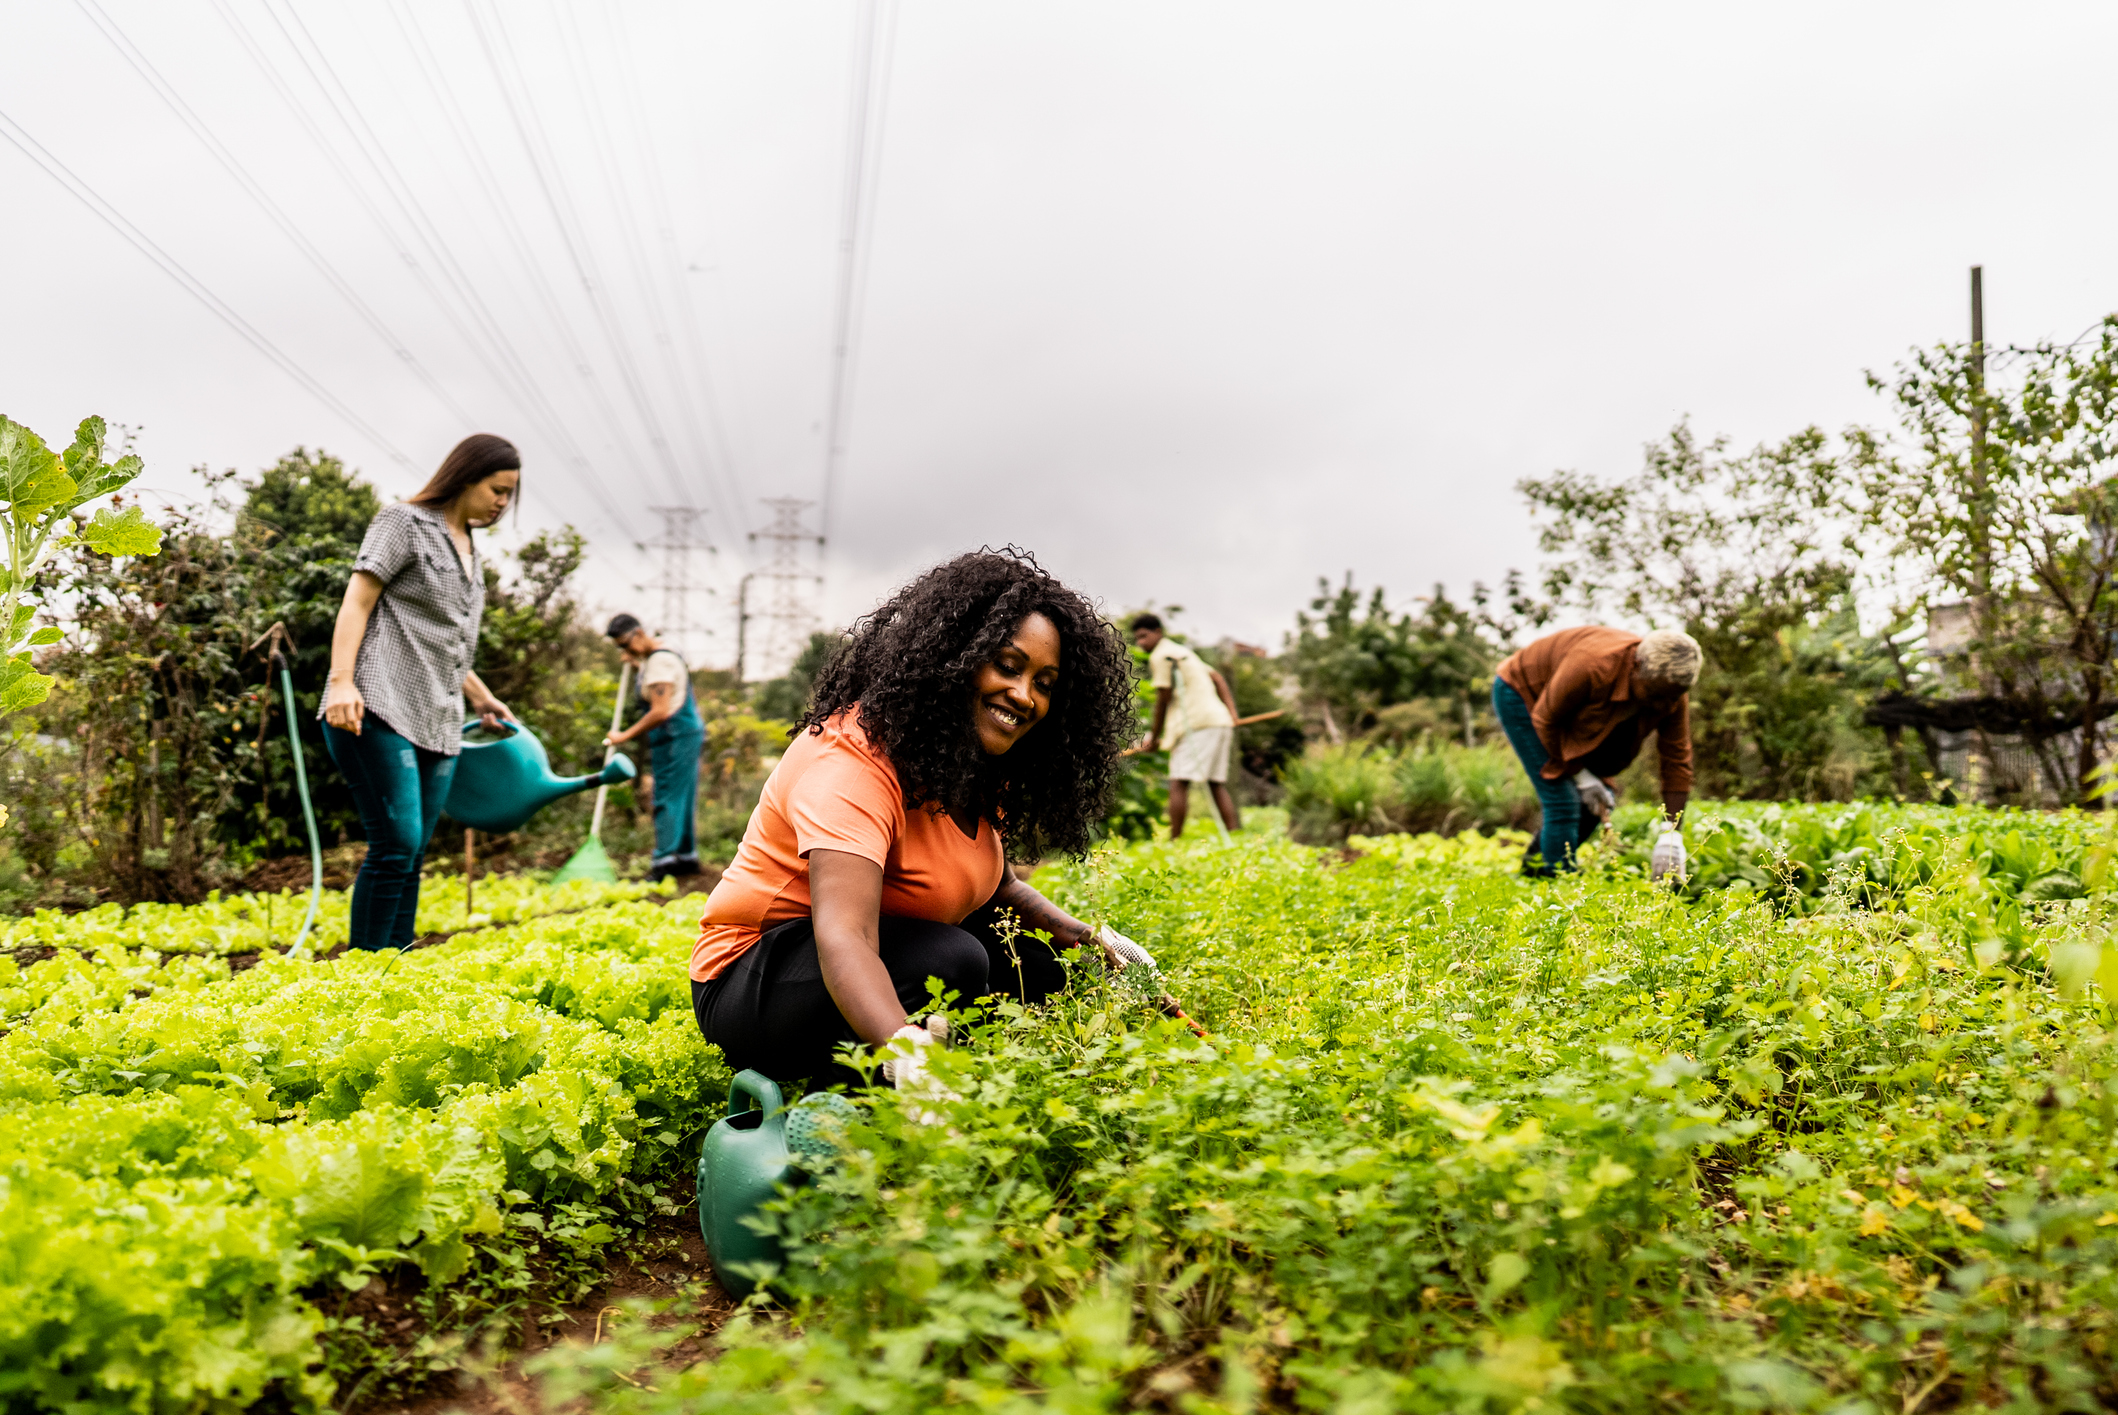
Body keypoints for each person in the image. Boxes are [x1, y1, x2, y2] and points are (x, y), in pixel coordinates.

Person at [691, 549, 1139, 1086]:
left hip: (869, 955)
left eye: (1045, 683)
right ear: (955, 656)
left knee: (1040, 962)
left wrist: (1093, 941)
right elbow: (846, 933)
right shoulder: (855, 761)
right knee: (952, 958)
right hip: (752, 981)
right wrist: (907, 1054)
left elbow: (999, 888)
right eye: (1008, 665)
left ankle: (958, 1073)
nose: (1023, 695)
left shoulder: (967, 760)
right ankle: (866, 1093)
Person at [321, 434, 521, 950]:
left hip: (438, 716)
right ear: (466, 475)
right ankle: (362, 974)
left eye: (510, 494)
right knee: (396, 842)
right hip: (376, 701)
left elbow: (443, 644)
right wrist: (341, 680)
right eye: (497, 489)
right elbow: (357, 603)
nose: (502, 502)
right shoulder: (404, 523)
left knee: (414, 852)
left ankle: (396, 964)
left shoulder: (472, 554)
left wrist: (481, 696)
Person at [1491, 626, 1700, 878]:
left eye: (1673, 698)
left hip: (1570, 715)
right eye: (1656, 695)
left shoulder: (1669, 691)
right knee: (1564, 801)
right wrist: (1580, 776)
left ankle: (1533, 874)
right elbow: (1547, 719)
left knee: (1598, 802)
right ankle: (1559, 892)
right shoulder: (1593, 666)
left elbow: (1676, 759)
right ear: (1637, 665)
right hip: (1523, 695)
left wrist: (1672, 834)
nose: (1664, 706)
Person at [602, 614, 706, 882]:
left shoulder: (659, 661)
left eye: (626, 645)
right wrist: (637, 666)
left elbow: (659, 710)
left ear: (638, 633)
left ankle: (664, 862)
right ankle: (685, 858)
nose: (625, 651)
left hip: (675, 733)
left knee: (667, 795)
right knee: (682, 794)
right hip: (683, 732)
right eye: (620, 648)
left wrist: (623, 735)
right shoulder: (658, 656)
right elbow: (656, 687)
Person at [1130, 614, 1240, 838]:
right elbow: (1217, 677)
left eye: (1144, 636)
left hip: (1198, 724)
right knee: (1214, 783)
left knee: (1179, 781)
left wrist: (1153, 737)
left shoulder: (1162, 655)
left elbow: (1163, 698)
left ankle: (1175, 841)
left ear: (1158, 632)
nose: (1141, 643)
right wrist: (1232, 714)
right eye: (1137, 639)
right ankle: (1235, 837)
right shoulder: (1183, 652)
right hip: (1219, 722)